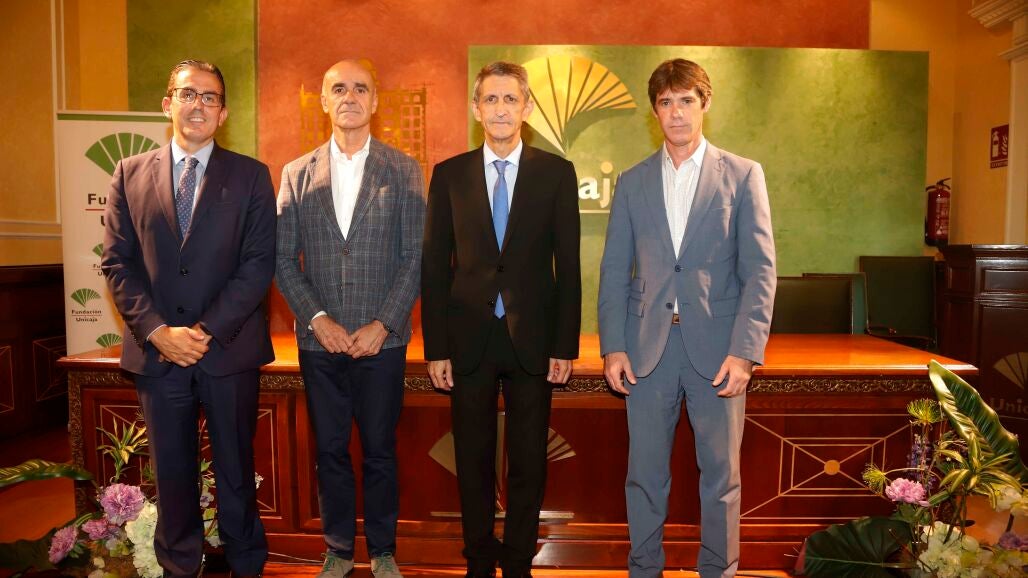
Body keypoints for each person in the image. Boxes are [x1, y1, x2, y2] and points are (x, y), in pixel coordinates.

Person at [597, 58, 776, 578]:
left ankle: (719, 571)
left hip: (718, 351)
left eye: (686, 101)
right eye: (666, 102)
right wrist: (614, 345)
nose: (676, 113)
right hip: (647, 349)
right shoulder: (632, 181)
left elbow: (760, 270)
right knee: (644, 476)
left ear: (705, 103)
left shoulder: (742, 174)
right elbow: (614, 270)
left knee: (721, 477)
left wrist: (745, 352)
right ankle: (643, 570)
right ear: (655, 111)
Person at [102, 59, 274, 578]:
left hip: (228, 349)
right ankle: (180, 566)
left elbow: (257, 264)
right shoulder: (129, 173)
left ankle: (246, 565)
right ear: (167, 104)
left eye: (210, 97)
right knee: (172, 473)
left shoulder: (251, 175)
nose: (198, 104)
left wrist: (203, 331)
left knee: (236, 471)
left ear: (223, 113)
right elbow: (118, 264)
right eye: (187, 94)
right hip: (158, 355)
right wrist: (158, 332)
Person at [421, 61, 581, 578]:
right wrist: (436, 348)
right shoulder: (449, 175)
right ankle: (477, 560)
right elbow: (434, 267)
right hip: (468, 339)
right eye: (490, 99)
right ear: (476, 109)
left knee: (529, 460)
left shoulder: (556, 173)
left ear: (527, 108)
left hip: (532, 339)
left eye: (510, 99)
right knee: (472, 458)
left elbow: (569, 266)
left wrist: (565, 346)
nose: (500, 109)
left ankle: (517, 563)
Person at [275, 58, 424, 578]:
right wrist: (317, 319)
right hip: (320, 342)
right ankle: (338, 551)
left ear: (375, 101)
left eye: (361, 88)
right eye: (338, 88)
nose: (350, 97)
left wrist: (383, 323)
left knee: (380, 451)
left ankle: (383, 551)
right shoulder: (296, 173)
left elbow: (415, 257)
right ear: (324, 100)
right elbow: (281, 259)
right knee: (331, 451)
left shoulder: (403, 169)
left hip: (381, 341)